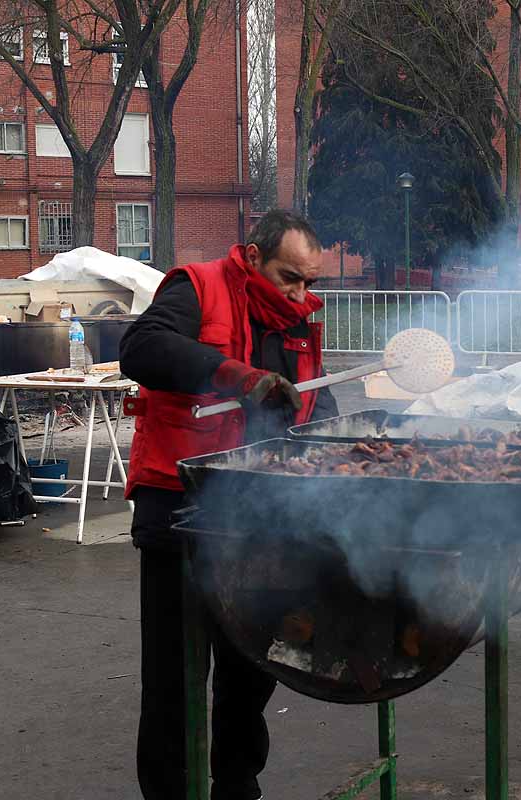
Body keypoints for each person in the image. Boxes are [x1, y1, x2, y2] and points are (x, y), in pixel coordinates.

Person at [119, 209, 338, 800]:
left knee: (250, 662)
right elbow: (139, 348)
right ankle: (170, 792)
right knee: (174, 674)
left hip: (259, 518)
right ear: (253, 256)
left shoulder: (298, 322)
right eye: (288, 277)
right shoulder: (198, 286)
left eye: (309, 282)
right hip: (179, 509)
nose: (299, 293)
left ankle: (236, 785)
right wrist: (238, 377)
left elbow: (319, 406)